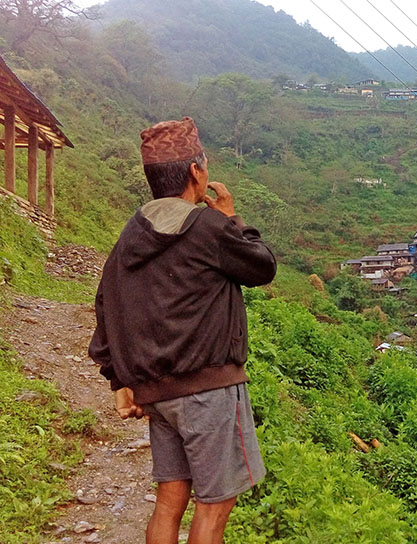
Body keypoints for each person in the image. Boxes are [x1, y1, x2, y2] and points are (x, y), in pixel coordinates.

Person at [89, 117, 277, 544]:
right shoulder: (209, 228)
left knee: (170, 498)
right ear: (196, 172)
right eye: (204, 162)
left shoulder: (131, 233)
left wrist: (119, 378)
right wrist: (232, 219)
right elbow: (262, 267)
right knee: (214, 506)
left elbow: (105, 304)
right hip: (209, 390)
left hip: (159, 394)